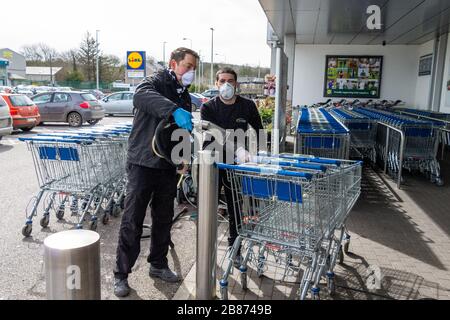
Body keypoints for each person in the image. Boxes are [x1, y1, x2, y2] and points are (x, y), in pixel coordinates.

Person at [114, 47, 198, 297]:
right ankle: (121, 274)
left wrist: (183, 157)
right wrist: (172, 110)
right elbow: (141, 96)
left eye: (194, 68)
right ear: (174, 63)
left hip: (166, 165)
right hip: (142, 162)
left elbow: (180, 132)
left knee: (163, 217)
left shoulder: (184, 95)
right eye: (188, 66)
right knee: (133, 219)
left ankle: (158, 264)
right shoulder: (156, 81)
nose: (191, 71)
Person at [200, 68, 264, 266]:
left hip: (236, 164)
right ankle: (205, 247)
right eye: (222, 81)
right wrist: (238, 149)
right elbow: (214, 136)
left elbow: (260, 130)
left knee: (235, 206)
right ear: (217, 83)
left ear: (236, 84)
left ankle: (234, 247)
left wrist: (261, 155)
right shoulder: (209, 107)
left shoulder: (247, 106)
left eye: (230, 80)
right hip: (212, 162)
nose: (226, 84)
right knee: (207, 206)